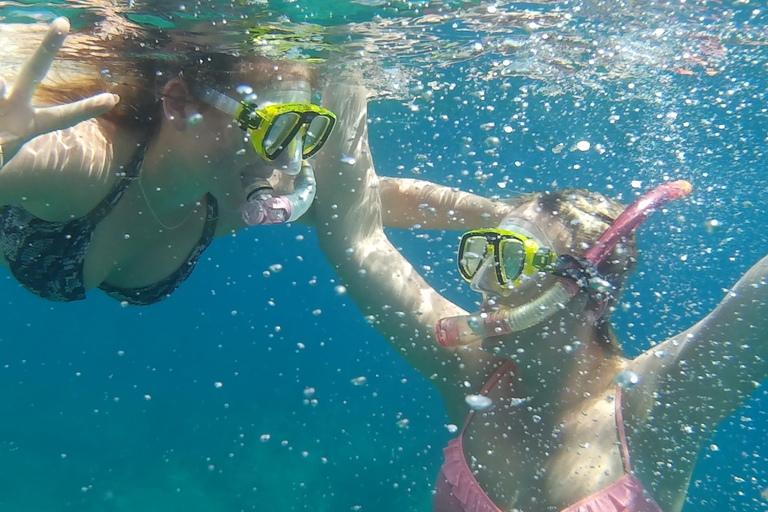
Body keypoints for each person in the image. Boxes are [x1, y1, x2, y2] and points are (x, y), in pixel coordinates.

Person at [314, 83, 768, 512]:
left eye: (512, 260)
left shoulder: (653, 405)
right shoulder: (472, 374)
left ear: (593, 296)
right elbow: (357, 240)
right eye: (482, 254)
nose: (486, 283)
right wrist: (342, 68)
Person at [0, 18, 512, 305]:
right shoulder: (90, 165)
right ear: (178, 102)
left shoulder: (218, 201)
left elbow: (367, 201)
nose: (289, 157)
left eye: (303, 129)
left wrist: (504, 216)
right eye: (272, 126)